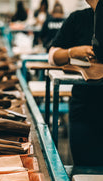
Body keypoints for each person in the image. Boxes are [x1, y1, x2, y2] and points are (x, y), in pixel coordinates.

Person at [48, 0, 103, 167]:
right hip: (85, 110)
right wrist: (73, 52)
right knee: (84, 171)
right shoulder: (77, 19)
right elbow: (53, 56)